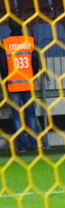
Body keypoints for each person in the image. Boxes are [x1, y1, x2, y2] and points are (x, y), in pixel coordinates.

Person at [0, 20, 42, 154]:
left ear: (9, 28)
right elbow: (35, 62)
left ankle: (22, 146)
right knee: (30, 115)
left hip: (13, 85)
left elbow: (2, 65)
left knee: (17, 117)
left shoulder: (5, 43)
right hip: (28, 84)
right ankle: (34, 145)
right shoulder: (30, 41)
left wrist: (6, 80)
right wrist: (32, 75)